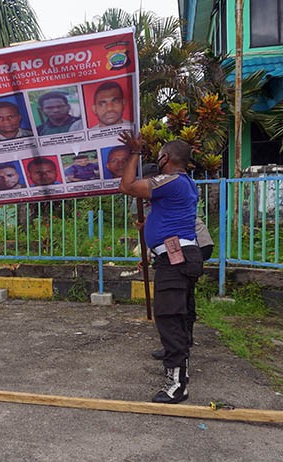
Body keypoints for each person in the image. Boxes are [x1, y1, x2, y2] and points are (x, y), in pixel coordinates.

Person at [119, 136, 203, 404]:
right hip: (181, 257)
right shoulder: (187, 183)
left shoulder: (172, 180)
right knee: (175, 319)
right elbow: (171, 216)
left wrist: (134, 152)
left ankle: (177, 385)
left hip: (176, 260)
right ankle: (179, 376)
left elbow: (128, 186)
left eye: (159, 156)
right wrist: (152, 226)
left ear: (166, 158)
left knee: (169, 319)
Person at [136, 163, 215, 361]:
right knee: (179, 299)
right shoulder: (159, 197)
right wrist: (147, 255)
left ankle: (182, 342)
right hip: (181, 248)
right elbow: (159, 231)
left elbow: (170, 230)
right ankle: (179, 342)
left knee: (181, 299)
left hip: (194, 245)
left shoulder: (165, 190)